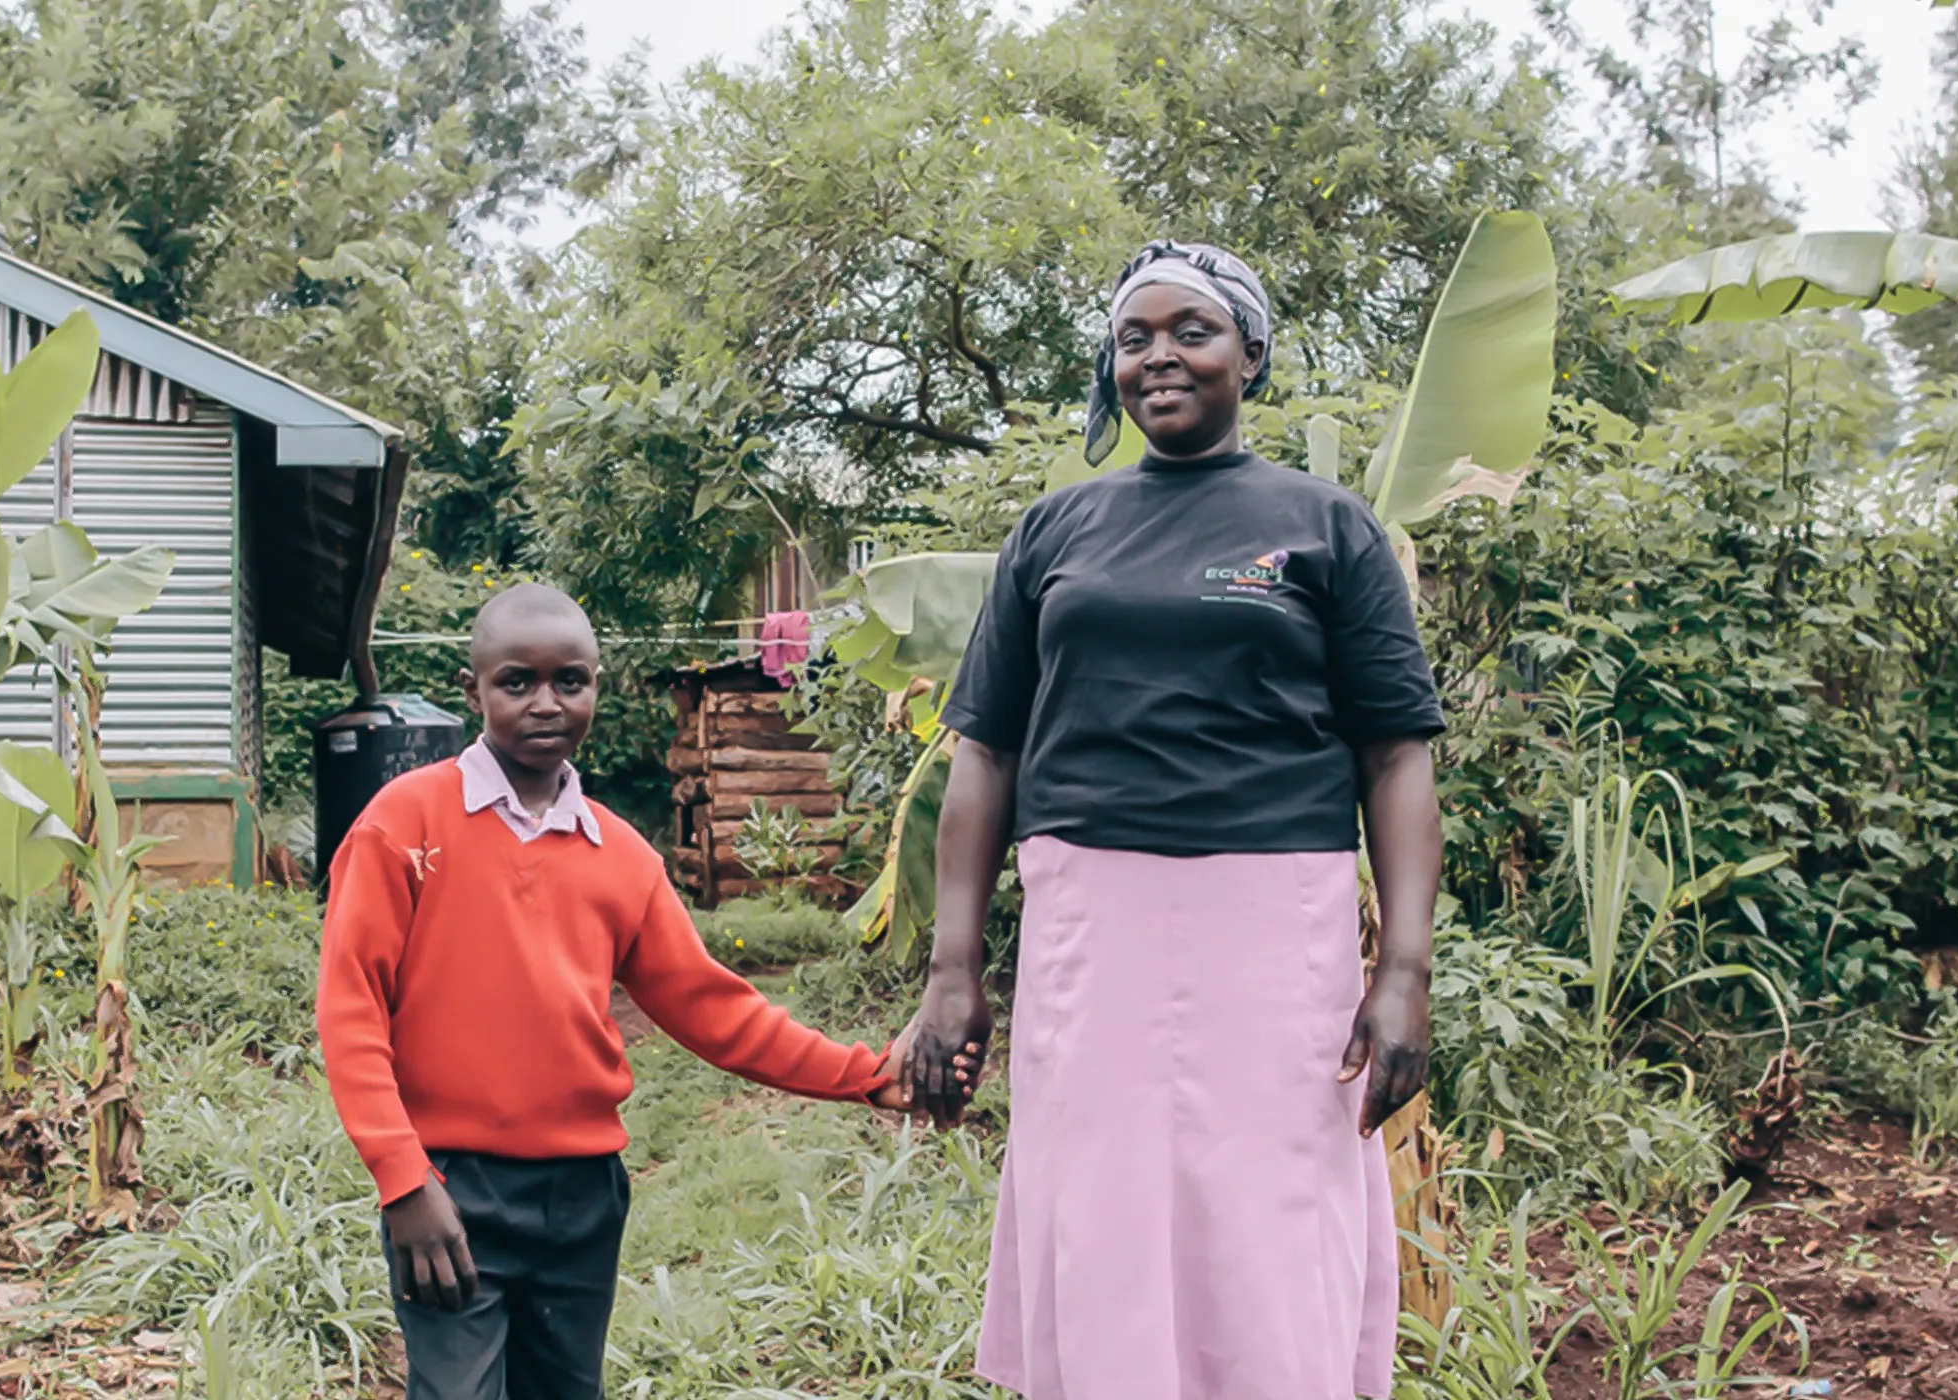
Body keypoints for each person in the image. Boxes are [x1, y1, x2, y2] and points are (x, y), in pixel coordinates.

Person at [904, 241, 1446, 1400]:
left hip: (1274, 926)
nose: (1159, 355)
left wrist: (1404, 967)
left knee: (1263, 1203)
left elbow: (1396, 751)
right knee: (1099, 1196)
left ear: (1248, 356)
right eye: (1133, 337)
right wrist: (953, 969)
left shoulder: (1327, 525)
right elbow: (985, 752)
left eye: (1191, 331)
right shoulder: (1054, 531)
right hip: (1087, 929)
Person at [317, 583, 919, 1400]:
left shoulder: (622, 856)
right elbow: (351, 1009)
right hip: (447, 1192)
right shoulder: (403, 824)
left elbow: (716, 1010)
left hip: (582, 1196)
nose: (546, 703)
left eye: (569, 681)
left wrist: (867, 1075)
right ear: (473, 690)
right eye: (517, 682)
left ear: (596, 685)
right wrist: (402, 1178)